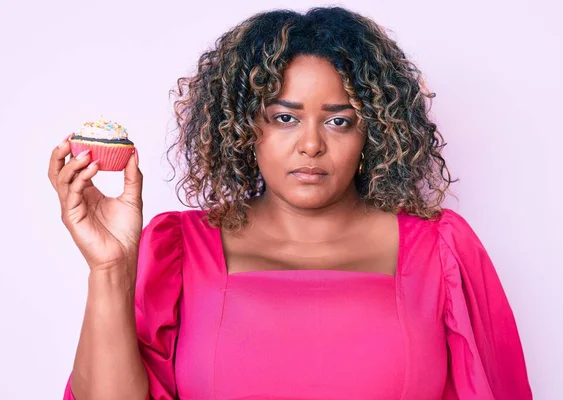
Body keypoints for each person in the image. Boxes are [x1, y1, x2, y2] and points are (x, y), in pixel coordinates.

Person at [49, 6, 533, 400]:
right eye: (285, 117)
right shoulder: (179, 248)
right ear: (244, 127)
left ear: (375, 131)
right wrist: (110, 269)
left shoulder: (442, 250)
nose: (310, 145)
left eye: (339, 120)